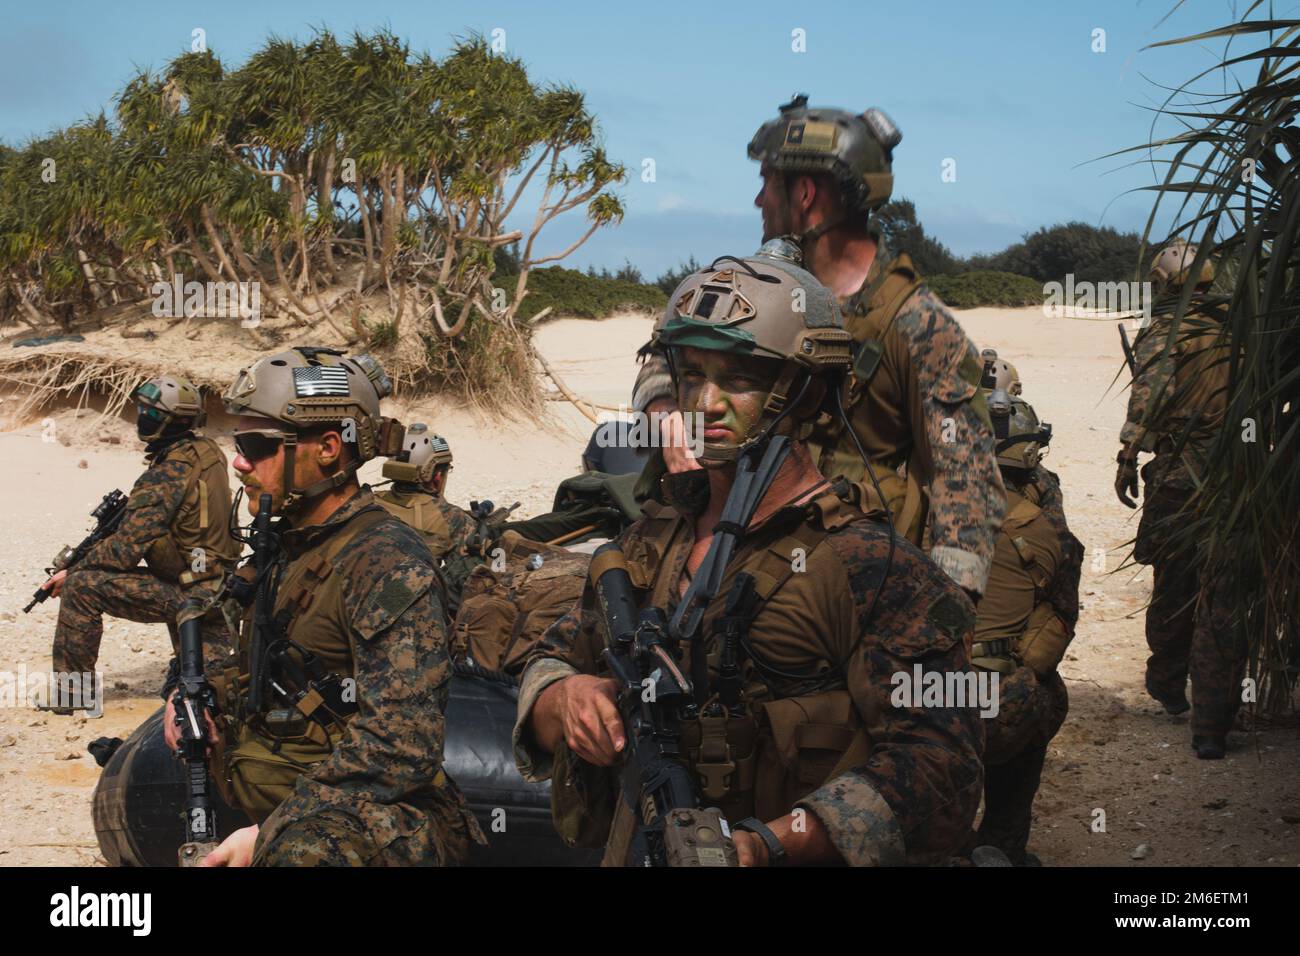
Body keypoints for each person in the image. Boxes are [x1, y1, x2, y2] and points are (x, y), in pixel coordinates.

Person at [514, 254, 984, 866]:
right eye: (691, 376)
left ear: (805, 389)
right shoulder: (652, 537)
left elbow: (943, 763)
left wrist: (768, 844)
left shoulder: (874, 568)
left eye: (737, 379)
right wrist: (563, 699)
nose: (703, 403)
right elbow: (553, 656)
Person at [632, 95, 1004, 601]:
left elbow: (965, 479)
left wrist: (942, 610)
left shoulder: (919, 327)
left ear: (804, 193)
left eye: (766, 183)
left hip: (846, 581)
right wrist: (664, 412)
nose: (759, 201)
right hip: (738, 540)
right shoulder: (755, 293)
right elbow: (662, 354)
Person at [166, 346, 480, 865]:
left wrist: (269, 833)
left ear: (328, 447)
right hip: (286, 778)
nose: (238, 461)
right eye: (236, 443)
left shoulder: (385, 561)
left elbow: (401, 745)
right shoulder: (286, 546)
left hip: (375, 808)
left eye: (255, 444)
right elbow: (258, 669)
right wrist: (198, 698)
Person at [1116, 241, 1242, 759]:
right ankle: (1212, 725)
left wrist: (1126, 458)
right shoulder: (1239, 331)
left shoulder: (1167, 334)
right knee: (1226, 601)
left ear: (1164, 285)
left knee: (1174, 582)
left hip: (1178, 481)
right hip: (1236, 480)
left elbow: (1147, 400)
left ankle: (1168, 684)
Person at [44, 374, 236, 703]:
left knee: (81, 587)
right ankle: (196, 661)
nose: (143, 418)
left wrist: (72, 571)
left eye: (152, 414)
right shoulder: (207, 451)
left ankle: (72, 695)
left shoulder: (165, 474)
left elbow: (123, 551)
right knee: (212, 677)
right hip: (221, 583)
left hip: (194, 592)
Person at [969, 353, 1082, 864]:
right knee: (1040, 693)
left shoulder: (916, 499)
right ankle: (1002, 842)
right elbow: (1062, 599)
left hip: (915, 691)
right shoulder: (1042, 511)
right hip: (994, 699)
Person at [374, 424, 476, 619]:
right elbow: (469, 583)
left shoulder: (367, 502)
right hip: (408, 618)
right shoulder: (453, 519)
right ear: (437, 476)